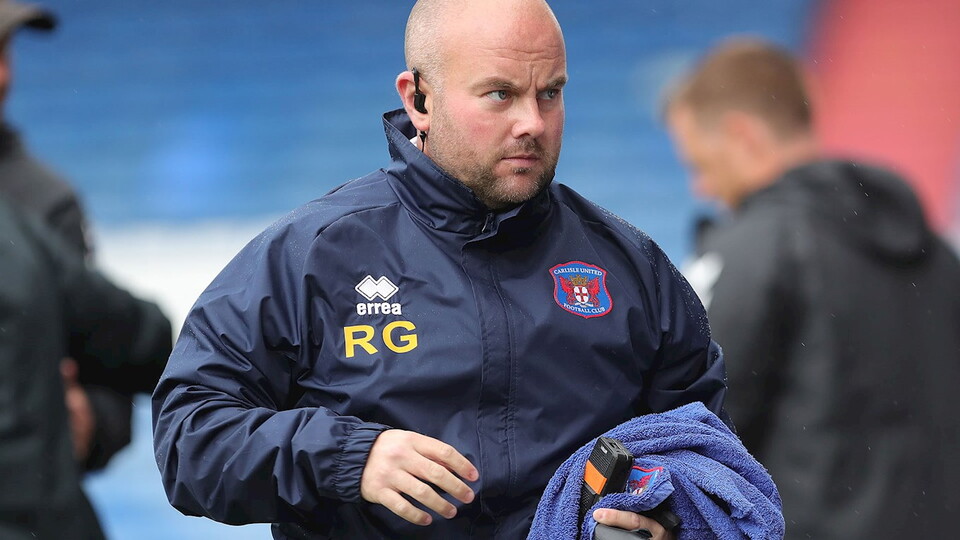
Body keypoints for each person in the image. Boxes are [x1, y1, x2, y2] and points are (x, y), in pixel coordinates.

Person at [152, 1, 729, 538]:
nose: (532, 122)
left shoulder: (632, 267)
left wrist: (667, 515)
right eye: (500, 94)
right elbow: (189, 440)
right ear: (418, 100)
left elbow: (704, 452)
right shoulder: (312, 256)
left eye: (550, 93)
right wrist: (350, 457)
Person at [664, 38, 960, 539]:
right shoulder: (937, 255)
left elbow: (694, 426)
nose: (703, 187)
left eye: (700, 165)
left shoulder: (753, 249)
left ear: (741, 135)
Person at [0, 0, 139, 472]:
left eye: (4, 52)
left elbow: (110, 379)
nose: (2, 76)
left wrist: (88, 424)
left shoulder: (46, 201)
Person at [0, 196, 172, 539]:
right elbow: (150, 341)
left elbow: (143, 342)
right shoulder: (14, 233)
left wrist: (93, 418)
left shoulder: (43, 198)